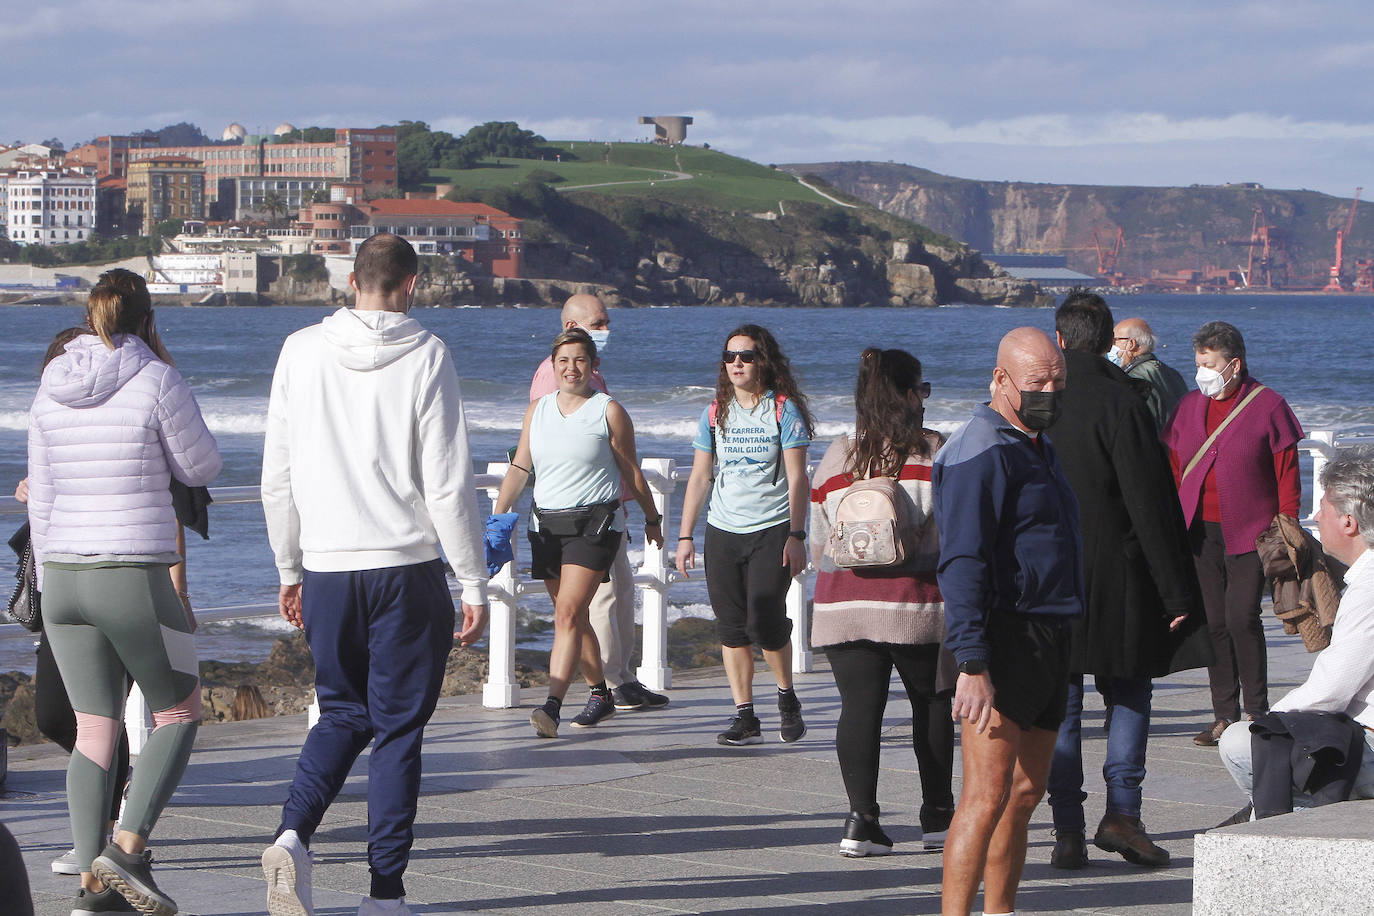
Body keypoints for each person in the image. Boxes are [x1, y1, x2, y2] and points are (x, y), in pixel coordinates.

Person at [260, 233, 488, 916]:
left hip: (329, 567)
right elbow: (447, 484)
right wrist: (471, 579)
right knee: (396, 733)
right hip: (405, 567)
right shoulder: (428, 354)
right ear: (411, 285)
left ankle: (293, 836)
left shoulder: (300, 351)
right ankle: (383, 893)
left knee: (341, 712)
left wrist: (288, 565)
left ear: (350, 279)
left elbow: (278, 476)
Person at [28, 269, 222, 916]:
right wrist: (166, 370)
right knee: (178, 711)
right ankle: (127, 847)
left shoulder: (50, 385)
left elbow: (44, 492)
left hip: (64, 581)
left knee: (94, 730)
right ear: (147, 320)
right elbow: (201, 467)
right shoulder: (155, 377)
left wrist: (57, 575)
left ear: (89, 318)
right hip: (132, 574)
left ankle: (90, 888)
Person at [1044, 293, 1210, 870]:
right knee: (1130, 691)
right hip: (1120, 573)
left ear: (1060, 340)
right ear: (1109, 339)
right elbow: (1150, 501)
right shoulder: (1124, 401)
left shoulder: (1039, 401)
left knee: (1061, 704)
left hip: (1051, 576)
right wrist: (1177, 591)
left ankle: (1065, 825)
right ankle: (1122, 814)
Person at [932, 327, 1083, 916]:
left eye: (1057, 381)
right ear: (1000, 381)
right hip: (1000, 636)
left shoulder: (1036, 441)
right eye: (1036, 382)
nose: (1049, 391)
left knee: (1025, 793)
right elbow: (961, 560)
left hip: (1051, 633)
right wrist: (972, 661)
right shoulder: (979, 450)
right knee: (986, 795)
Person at [808, 348, 955, 857]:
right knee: (932, 705)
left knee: (859, 710)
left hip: (843, 606)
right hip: (917, 605)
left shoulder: (839, 455)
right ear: (911, 395)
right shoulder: (937, 453)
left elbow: (817, 538)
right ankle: (938, 818)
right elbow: (957, 535)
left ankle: (860, 822)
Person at [497, 327, 664, 737]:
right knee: (572, 616)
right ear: (552, 366)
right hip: (547, 525)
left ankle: (552, 706)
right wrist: (498, 516)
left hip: (596, 524)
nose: (571, 369)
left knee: (568, 613)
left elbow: (631, 471)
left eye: (580, 361)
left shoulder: (608, 410)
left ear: (594, 366)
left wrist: (652, 518)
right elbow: (520, 467)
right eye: (563, 361)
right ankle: (600, 694)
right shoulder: (537, 410)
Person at [1163, 321, 1303, 747]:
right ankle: (1224, 715)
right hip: (1199, 533)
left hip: (1252, 533)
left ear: (1234, 364)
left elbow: (1287, 474)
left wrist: (1288, 526)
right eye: (1198, 364)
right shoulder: (1188, 407)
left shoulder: (1269, 405)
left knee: (1243, 619)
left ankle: (1256, 712)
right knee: (1215, 622)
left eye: (1209, 364)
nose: (1202, 372)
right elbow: (1173, 466)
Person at [528, 293, 668, 712]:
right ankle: (607, 683)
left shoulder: (596, 385)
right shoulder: (551, 382)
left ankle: (618, 679)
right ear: (572, 327)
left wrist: (642, 510)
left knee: (619, 592)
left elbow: (618, 455)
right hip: (576, 517)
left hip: (606, 510)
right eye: (599, 323)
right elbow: (537, 453)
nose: (606, 331)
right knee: (596, 601)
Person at [676, 324, 814, 746]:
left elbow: (797, 479)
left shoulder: (782, 410)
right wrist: (684, 538)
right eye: (731, 356)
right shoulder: (715, 412)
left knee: (765, 620)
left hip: (772, 530)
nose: (737, 363)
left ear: (763, 361)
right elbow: (700, 478)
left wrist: (797, 534)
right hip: (723, 530)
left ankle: (787, 697)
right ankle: (745, 716)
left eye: (747, 356)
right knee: (731, 627)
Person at [1217, 448, 1374, 810]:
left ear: (1349, 522)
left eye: (1324, 508)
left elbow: (1330, 691)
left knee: (1243, 741)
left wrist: (1271, 721)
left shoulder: (1368, 591)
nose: (1316, 516)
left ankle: (1294, 828)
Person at [1110, 317, 1190, 433]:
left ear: (1131, 344)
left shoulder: (1133, 380)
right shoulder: (1172, 374)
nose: (1111, 347)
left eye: (1114, 341)